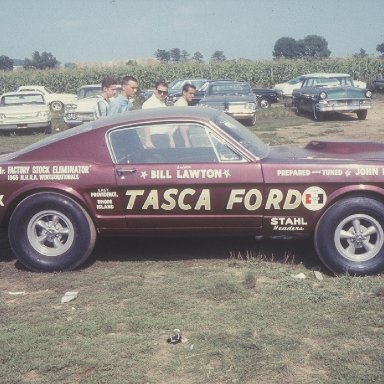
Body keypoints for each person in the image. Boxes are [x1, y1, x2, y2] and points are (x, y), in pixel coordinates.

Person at [142, 81, 174, 148]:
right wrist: (148, 141)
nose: (162, 94)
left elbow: (166, 124)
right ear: (155, 90)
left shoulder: (162, 103)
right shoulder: (148, 104)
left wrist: (171, 140)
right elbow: (145, 124)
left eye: (164, 92)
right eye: (160, 91)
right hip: (155, 137)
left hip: (165, 137)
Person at [173, 83, 196, 147]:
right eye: (190, 93)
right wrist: (186, 141)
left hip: (182, 135)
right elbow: (182, 125)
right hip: (179, 136)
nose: (193, 96)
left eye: (194, 94)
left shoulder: (184, 103)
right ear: (184, 92)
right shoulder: (181, 105)